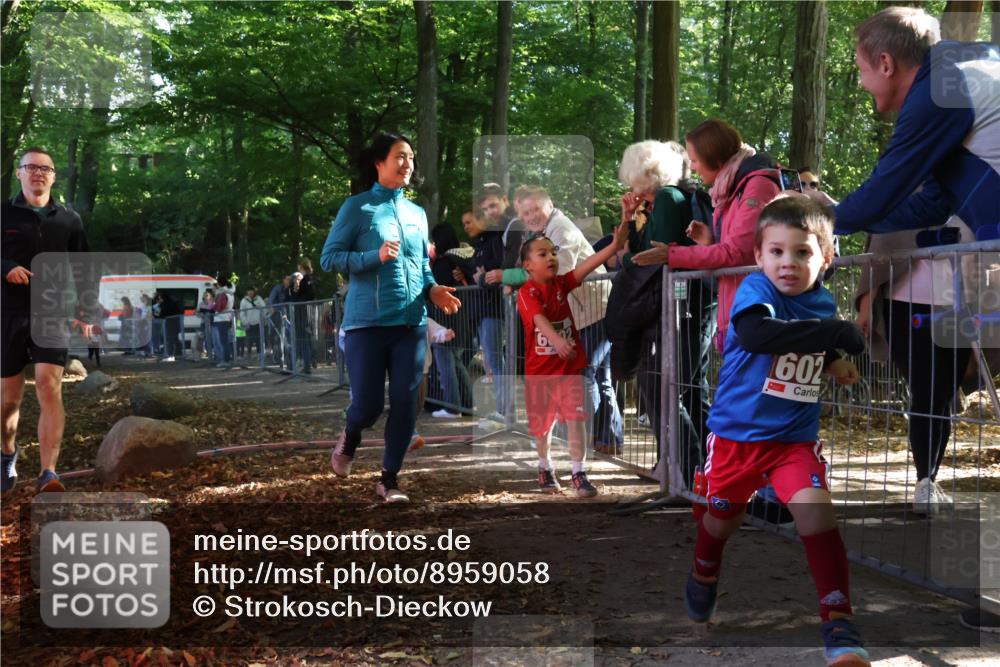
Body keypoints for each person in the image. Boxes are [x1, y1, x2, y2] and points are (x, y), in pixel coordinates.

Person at [684, 197, 870, 666]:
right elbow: (759, 337)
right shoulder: (755, 290)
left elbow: (813, 339)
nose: (788, 263)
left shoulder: (822, 302)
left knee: (817, 517)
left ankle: (839, 623)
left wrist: (835, 359)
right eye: (777, 252)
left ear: (826, 258)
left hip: (793, 442)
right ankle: (705, 568)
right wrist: (835, 334)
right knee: (721, 521)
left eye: (803, 253)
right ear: (760, 255)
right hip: (736, 440)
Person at [321, 131, 460, 503]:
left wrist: (433, 289)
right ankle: (350, 435)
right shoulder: (357, 207)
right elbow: (329, 258)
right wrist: (373, 257)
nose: (408, 164)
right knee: (367, 405)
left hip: (411, 323)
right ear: (378, 163)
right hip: (366, 323)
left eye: (411, 157)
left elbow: (421, 268)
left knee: (405, 401)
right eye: (400, 156)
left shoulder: (417, 214)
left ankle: (389, 480)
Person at [810, 7, 999, 234]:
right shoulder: (961, 66)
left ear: (885, 64)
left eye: (861, 70)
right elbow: (933, 205)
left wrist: (800, 218)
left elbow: (878, 196)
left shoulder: (936, 92)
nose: (861, 83)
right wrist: (838, 213)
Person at [855, 224, 973, 515]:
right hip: (907, 304)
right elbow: (881, 248)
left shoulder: (973, 187)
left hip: (958, 305)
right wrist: (866, 305)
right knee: (925, 390)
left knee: (944, 394)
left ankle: (929, 480)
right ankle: (924, 480)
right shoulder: (907, 192)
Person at [616, 140, 716, 468]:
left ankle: (683, 465)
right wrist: (629, 217)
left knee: (670, 382)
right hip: (680, 304)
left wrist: (627, 260)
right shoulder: (655, 204)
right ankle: (698, 464)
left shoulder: (669, 200)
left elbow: (653, 256)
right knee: (687, 386)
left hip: (687, 305)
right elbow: (638, 248)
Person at [2, 147, 95, 493]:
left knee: (47, 384)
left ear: (54, 176)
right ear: (19, 173)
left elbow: (84, 268)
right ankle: (6, 452)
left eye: (46, 168)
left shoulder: (69, 220)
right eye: (31, 167)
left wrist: (87, 309)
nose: (38, 172)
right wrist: (5, 267)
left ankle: (48, 473)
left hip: (52, 311)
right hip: (7, 313)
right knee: (8, 398)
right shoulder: (2, 214)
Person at [503, 185, 622, 456]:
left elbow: (559, 273)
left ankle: (581, 440)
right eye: (525, 212)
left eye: (535, 209)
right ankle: (608, 440)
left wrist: (508, 276)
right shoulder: (543, 232)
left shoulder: (561, 229)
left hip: (594, 310)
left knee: (585, 375)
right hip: (587, 310)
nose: (531, 216)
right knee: (600, 377)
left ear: (549, 204)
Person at [516, 219, 628, 497]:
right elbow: (539, 320)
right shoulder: (526, 292)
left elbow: (586, 267)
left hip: (569, 369)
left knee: (576, 419)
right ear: (528, 265)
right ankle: (544, 466)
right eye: (542, 254)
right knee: (544, 426)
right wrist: (556, 341)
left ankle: (579, 472)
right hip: (541, 373)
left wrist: (614, 245)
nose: (551, 257)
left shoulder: (561, 284)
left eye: (553, 252)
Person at [428, 222, 474, 417]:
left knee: (447, 363)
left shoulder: (442, 264)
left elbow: (434, 289)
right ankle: (468, 405)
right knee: (456, 363)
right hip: (460, 318)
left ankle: (452, 407)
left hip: (445, 321)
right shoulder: (462, 258)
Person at [290, 260, 317, 374]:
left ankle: (308, 365)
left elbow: (309, 294)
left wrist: (298, 301)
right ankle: (308, 363)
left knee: (305, 339)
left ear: (302, 267)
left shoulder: (307, 279)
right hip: (305, 312)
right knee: (305, 339)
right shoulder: (310, 278)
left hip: (304, 313)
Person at [212, 277, 236, 367]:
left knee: (223, 341)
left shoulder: (222, 294)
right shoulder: (231, 293)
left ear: (219, 284)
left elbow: (219, 307)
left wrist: (214, 305)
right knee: (226, 340)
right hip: (227, 318)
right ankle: (228, 359)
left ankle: (225, 360)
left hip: (221, 319)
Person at [239, 287, 266, 358]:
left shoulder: (259, 299)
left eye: (252, 291)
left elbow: (264, 308)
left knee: (259, 338)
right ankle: (248, 354)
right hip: (249, 323)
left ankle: (260, 353)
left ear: (254, 291)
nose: (250, 292)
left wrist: (263, 319)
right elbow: (242, 312)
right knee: (249, 339)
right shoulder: (244, 300)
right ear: (247, 292)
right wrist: (245, 322)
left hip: (258, 322)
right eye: (249, 291)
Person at [197, 289, 215, 360]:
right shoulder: (201, 304)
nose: (205, 296)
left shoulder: (213, 303)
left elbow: (214, 312)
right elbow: (197, 313)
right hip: (204, 323)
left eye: (207, 295)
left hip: (212, 323)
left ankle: (211, 352)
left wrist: (208, 313)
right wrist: (201, 314)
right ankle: (205, 352)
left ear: (210, 296)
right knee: (203, 338)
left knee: (211, 338)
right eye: (204, 295)